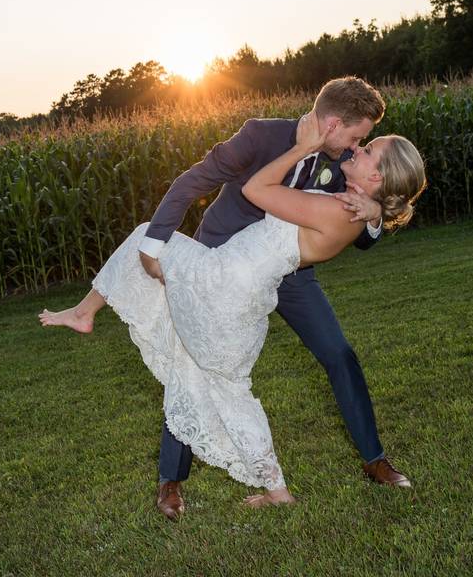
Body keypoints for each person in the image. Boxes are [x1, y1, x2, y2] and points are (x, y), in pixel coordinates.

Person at [39, 104, 427, 511]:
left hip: (280, 275)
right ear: (332, 123)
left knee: (335, 353)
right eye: (355, 138)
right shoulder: (262, 135)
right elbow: (193, 182)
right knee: (199, 362)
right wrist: (157, 244)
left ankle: (374, 460)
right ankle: (172, 481)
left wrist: (376, 215)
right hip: (226, 255)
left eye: (363, 145)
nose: (355, 148)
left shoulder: (349, 168)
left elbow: (370, 211)